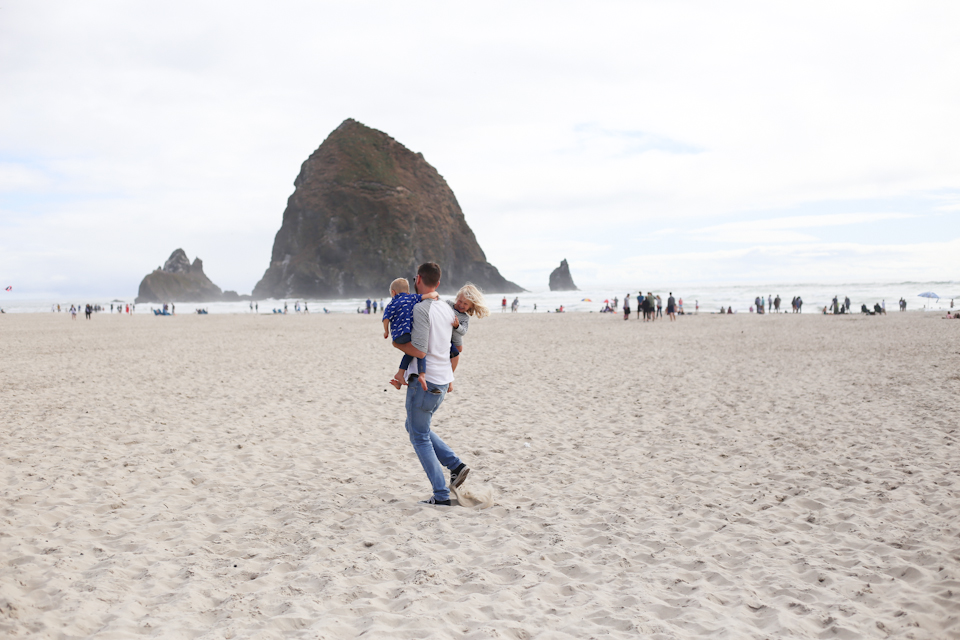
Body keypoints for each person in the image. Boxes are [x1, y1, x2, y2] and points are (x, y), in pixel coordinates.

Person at [391, 262, 471, 506]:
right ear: (438, 283)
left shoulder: (421, 309)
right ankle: (455, 465)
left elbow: (419, 349)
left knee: (419, 437)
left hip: (425, 383)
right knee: (414, 426)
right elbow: (457, 346)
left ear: (418, 279)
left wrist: (396, 344)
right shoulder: (446, 308)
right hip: (443, 381)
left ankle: (441, 495)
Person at [383, 277, 440, 390]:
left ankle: (400, 375)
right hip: (408, 334)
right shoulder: (411, 298)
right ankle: (422, 374)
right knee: (420, 350)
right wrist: (436, 293)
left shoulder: (391, 304)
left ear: (393, 292)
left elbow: (386, 319)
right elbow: (429, 295)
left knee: (410, 353)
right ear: (408, 292)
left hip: (397, 336)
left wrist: (386, 331)